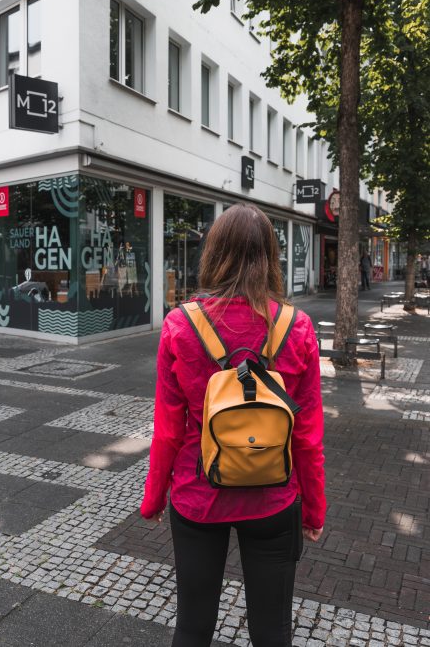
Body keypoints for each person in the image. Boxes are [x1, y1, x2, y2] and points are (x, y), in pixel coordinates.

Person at [140, 204, 326, 647]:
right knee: (273, 629)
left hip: (198, 492)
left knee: (192, 625)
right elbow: (307, 435)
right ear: (270, 256)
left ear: (214, 253)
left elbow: (167, 427)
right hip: (274, 498)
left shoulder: (180, 325)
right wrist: (315, 508)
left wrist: (153, 499)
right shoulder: (297, 328)